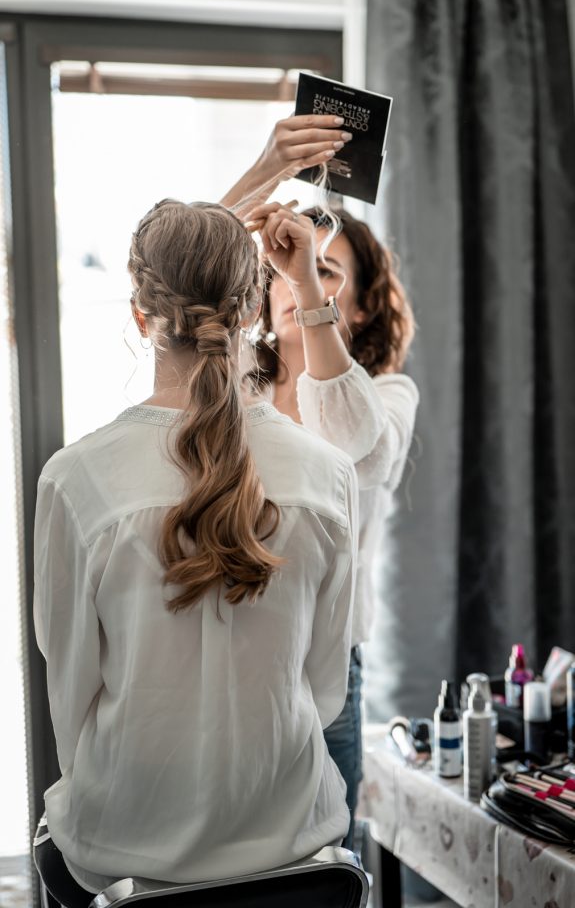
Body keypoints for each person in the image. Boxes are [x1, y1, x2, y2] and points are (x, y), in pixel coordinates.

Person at [33, 200, 358, 903]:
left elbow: (71, 698)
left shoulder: (76, 479)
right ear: (253, 309)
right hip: (298, 852)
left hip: (122, 860)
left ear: (139, 314)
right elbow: (325, 685)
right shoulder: (328, 474)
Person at [222, 118, 419, 847]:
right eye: (282, 264)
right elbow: (183, 279)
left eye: (328, 269)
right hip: (229, 644)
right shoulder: (237, 381)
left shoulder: (388, 396)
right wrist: (264, 169)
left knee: (324, 851)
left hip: (326, 662)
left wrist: (305, 281)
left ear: (360, 307)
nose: (294, 275)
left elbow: (349, 441)